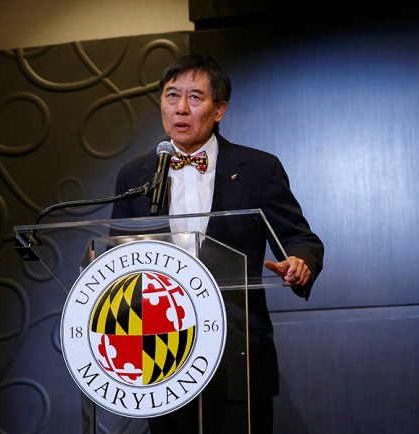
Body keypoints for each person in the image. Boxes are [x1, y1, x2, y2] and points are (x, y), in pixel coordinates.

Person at [110, 54, 324, 434]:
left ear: (220, 109)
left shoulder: (259, 168)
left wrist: (298, 261)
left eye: (195, 97)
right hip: (162, 356)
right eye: (171, 95)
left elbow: (299, 238)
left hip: (237, 352)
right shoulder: (134, 175)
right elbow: (118, 256)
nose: (179, 107)